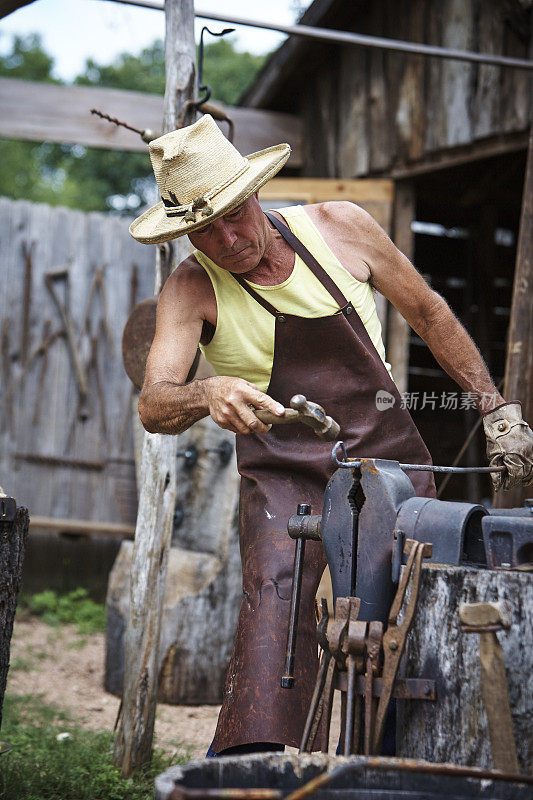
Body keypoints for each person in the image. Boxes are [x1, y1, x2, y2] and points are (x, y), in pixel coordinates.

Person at [130, 114, 533, 756]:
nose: (226, 238)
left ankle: (415, 762)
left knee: (423, 604)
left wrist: (497, 410)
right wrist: (206, 392)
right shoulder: (190, 288)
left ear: (254, 192)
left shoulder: (340, 227)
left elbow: (428, 311)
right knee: (277, 601)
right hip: (283, 472)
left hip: (386, 459)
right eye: (202, 230)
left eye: (234, 215)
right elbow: (154, 404)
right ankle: (259, 763)